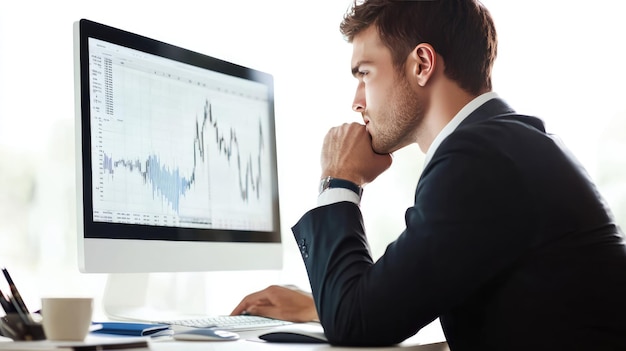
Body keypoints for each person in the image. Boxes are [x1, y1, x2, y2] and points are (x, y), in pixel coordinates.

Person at [232, 0, 626, 349]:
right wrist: (325, 305)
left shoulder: (477, 158)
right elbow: (392, 301)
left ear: (422, 64)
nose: (356, 102)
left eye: (364, 74)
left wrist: (339, 179)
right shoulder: (507, 142)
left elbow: (359, 323)